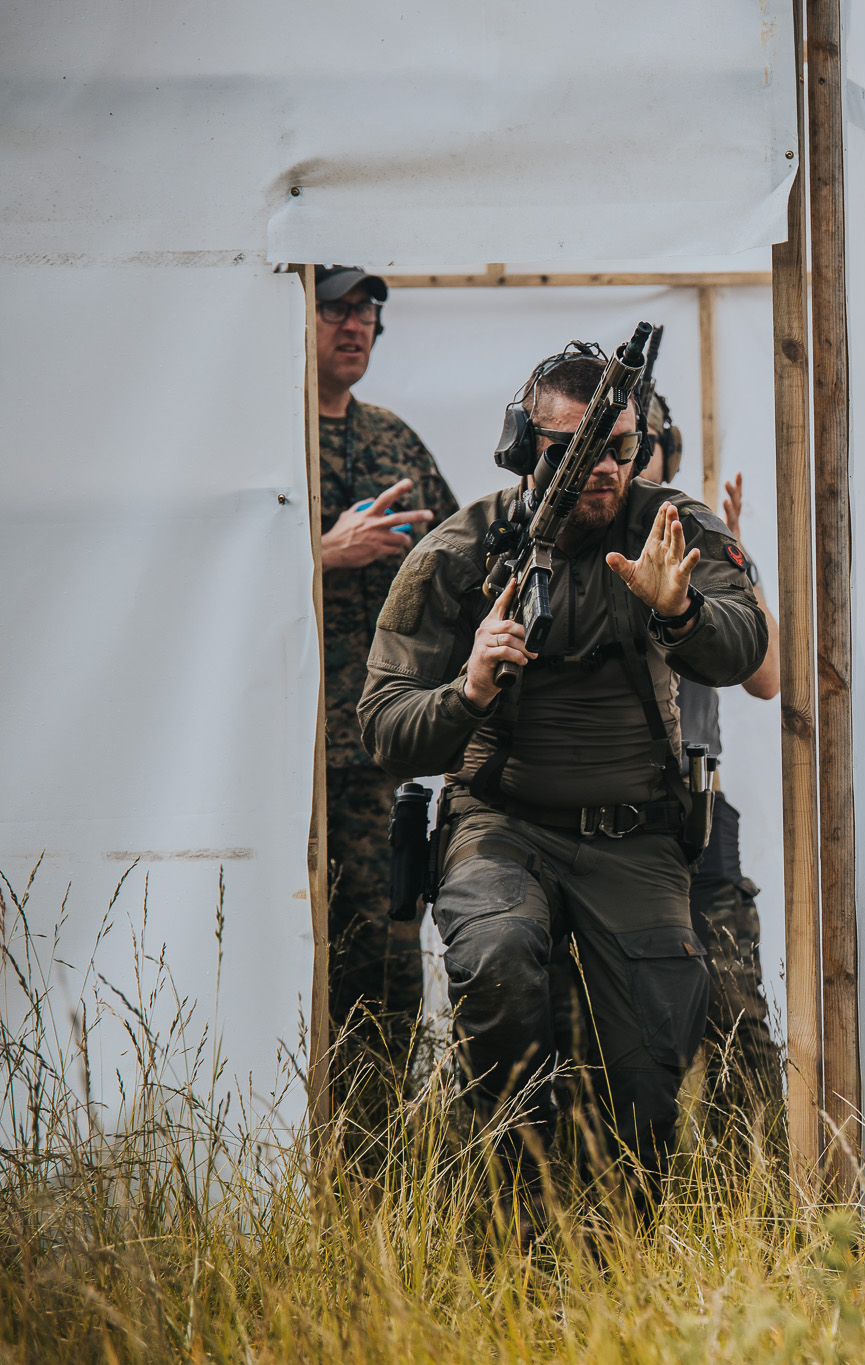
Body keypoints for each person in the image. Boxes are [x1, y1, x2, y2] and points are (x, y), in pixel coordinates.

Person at [357, 343, 767, 1195]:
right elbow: (386, 725)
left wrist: (680, 610)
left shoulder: (673, 530)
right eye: (576, 452)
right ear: (524, 448)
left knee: (654, 1068)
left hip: (637, 834)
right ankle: (515, 1218)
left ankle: (621, 1254)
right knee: (499, 961)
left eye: (621, 448)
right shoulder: (462, 552)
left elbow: (751, 649)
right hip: (501, 825)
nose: (606, 470)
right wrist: (468, 691)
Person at [310, 265, 459, 1120]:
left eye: (368, 312)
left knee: (386, 963)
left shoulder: (395, 442)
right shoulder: (263, 438)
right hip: (279, 764)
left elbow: (463, 566)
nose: (356, 325)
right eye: (337, 307)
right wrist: (320, 552)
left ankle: (377, 1155)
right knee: (297, 954)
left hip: (376, 762)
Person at [685, 470, 783, 1131]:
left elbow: (768, 676)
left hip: (697, 819)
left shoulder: (699, 551)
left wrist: (735, 559)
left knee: (740, 1037)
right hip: (603, 829)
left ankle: (757, 1215)